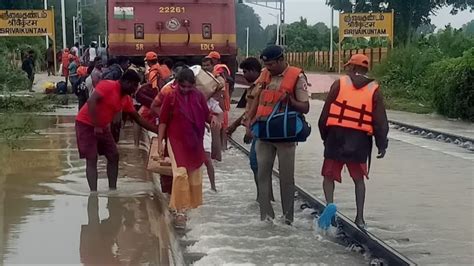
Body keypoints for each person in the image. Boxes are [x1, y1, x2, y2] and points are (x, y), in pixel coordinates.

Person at [318, 54, 389, 228]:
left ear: (352, 68)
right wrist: (382, 144)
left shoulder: (339, 84)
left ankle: (330, 206)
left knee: (328, 176)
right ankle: (360, 218)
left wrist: (324, 136)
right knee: (359, 180)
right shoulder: (374, 89)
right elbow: (380, 121)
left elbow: (325, 115)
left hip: (336, 136)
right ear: (366, 69)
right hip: (359, 141)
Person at [246, 45, 310, 225]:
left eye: (272, 64)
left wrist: (290, 101)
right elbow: (255, 98)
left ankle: (288, 219)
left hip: (285, 136)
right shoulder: (264, 75)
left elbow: (305, 107)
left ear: (282, 60)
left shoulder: (297, 77)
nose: (269, 68)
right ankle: (266, 218)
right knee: (262, 174)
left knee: (286, 179)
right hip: (264, 133)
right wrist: (248, 121)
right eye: (266, 65)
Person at [75, 70, 159, 191]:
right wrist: (96, 125)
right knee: (92, 158)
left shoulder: (126, 99)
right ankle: (93, 194)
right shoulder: (107, 85)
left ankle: (112, 190)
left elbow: (138, 119)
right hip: (86, 124)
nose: (135, 88)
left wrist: (159, 131)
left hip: (102, 126)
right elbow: (91, 101)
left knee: (114, 155)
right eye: (134, 85)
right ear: (125, 82)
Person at [157, 68, 220, 228]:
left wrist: (212, 118)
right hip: (175, 140)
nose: (185, 90)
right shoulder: (170, 96)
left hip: (194, 140)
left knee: (194, 175)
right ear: (177, 83)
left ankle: (189, 208)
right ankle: (180, 211)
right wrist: (160, 142)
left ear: (193, 85)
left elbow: (206, 115)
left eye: (188, 87)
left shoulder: (198, 96)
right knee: (180, 174)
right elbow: (163, 121)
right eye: (182, 86)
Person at [226, 57, 274, 201]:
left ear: (254, 71)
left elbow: (256, 111)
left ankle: (264, 197)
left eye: (245, 72)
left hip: (259, 130)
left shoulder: (260, 86)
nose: (244, 75)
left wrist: (249, 131)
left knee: (257, 163)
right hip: (258, 130)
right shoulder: (255, 86)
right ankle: (264, 196)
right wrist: (234, 125)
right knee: (259, 165)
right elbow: (248, 111)